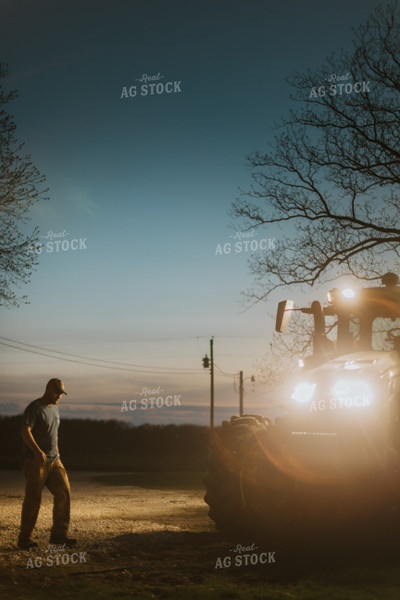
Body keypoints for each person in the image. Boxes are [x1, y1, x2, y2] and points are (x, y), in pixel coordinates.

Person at [18, 378, 76, 549]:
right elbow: (25, 431)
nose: (59, 396)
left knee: (64, 491)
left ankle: (59, 535)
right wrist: (37, 451)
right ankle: (24, 538)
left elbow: (53, 433)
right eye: (57, 392)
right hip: (35, 461)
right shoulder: (34, 408)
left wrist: (57, 452)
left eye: (61, 393)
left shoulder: (55, 409)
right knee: (33, 498)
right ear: (48, 389)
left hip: (54, 459)